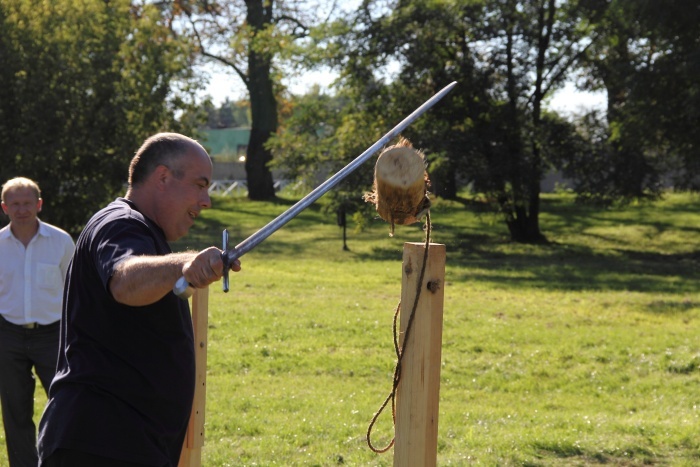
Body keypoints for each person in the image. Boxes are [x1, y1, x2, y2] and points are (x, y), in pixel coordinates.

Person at [37, 133, 241, 467]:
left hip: (125, 443)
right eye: (199, 185)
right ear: (163, 177)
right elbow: (124, 278)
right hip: (100, 445)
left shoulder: (145, 232)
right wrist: (183, 264)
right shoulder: (119, 224)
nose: (207, 201)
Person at [0, 177, 75, 467]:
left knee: (63, 403)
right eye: (15, 204)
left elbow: (75, 288)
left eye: (27, 203)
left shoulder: (60, 241)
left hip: (53, 334)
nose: (21, 210)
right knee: (15, 409)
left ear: (39, 204)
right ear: (4, 207)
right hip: (8, 334)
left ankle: (62, 460)